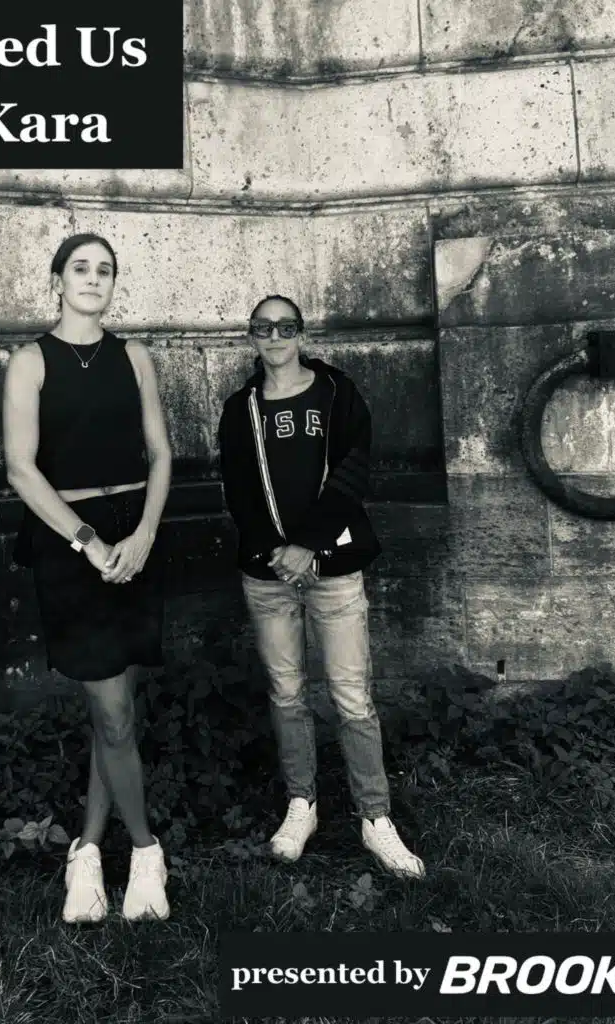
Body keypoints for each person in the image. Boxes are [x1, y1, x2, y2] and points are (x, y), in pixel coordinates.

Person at [217, 294, 425, 879]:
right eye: (263, 328)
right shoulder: (241, 409)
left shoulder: (337, 394)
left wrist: (308, 544)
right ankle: (301, 805)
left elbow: (353, 471)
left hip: (333, 568)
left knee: (351, 695)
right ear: (251, 337)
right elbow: (238, 489)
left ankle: (375, 818)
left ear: (301, 334)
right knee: (286, 692)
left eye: (285, 327)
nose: (274, 337)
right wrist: (278, 553)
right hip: (269, 575)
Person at [3, 233, 173, 923]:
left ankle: (87, 851)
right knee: (113, 713)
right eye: (81, 268)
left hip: (135, 537)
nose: (93, 279)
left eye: (105, 270)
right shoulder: (29, 362)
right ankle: (147, 851)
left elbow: (160, 455)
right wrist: (88, 541)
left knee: (118, 710)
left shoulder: (135, 357)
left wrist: (144, 535)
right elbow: (20, 469)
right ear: (57, 280)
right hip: (70, 540)